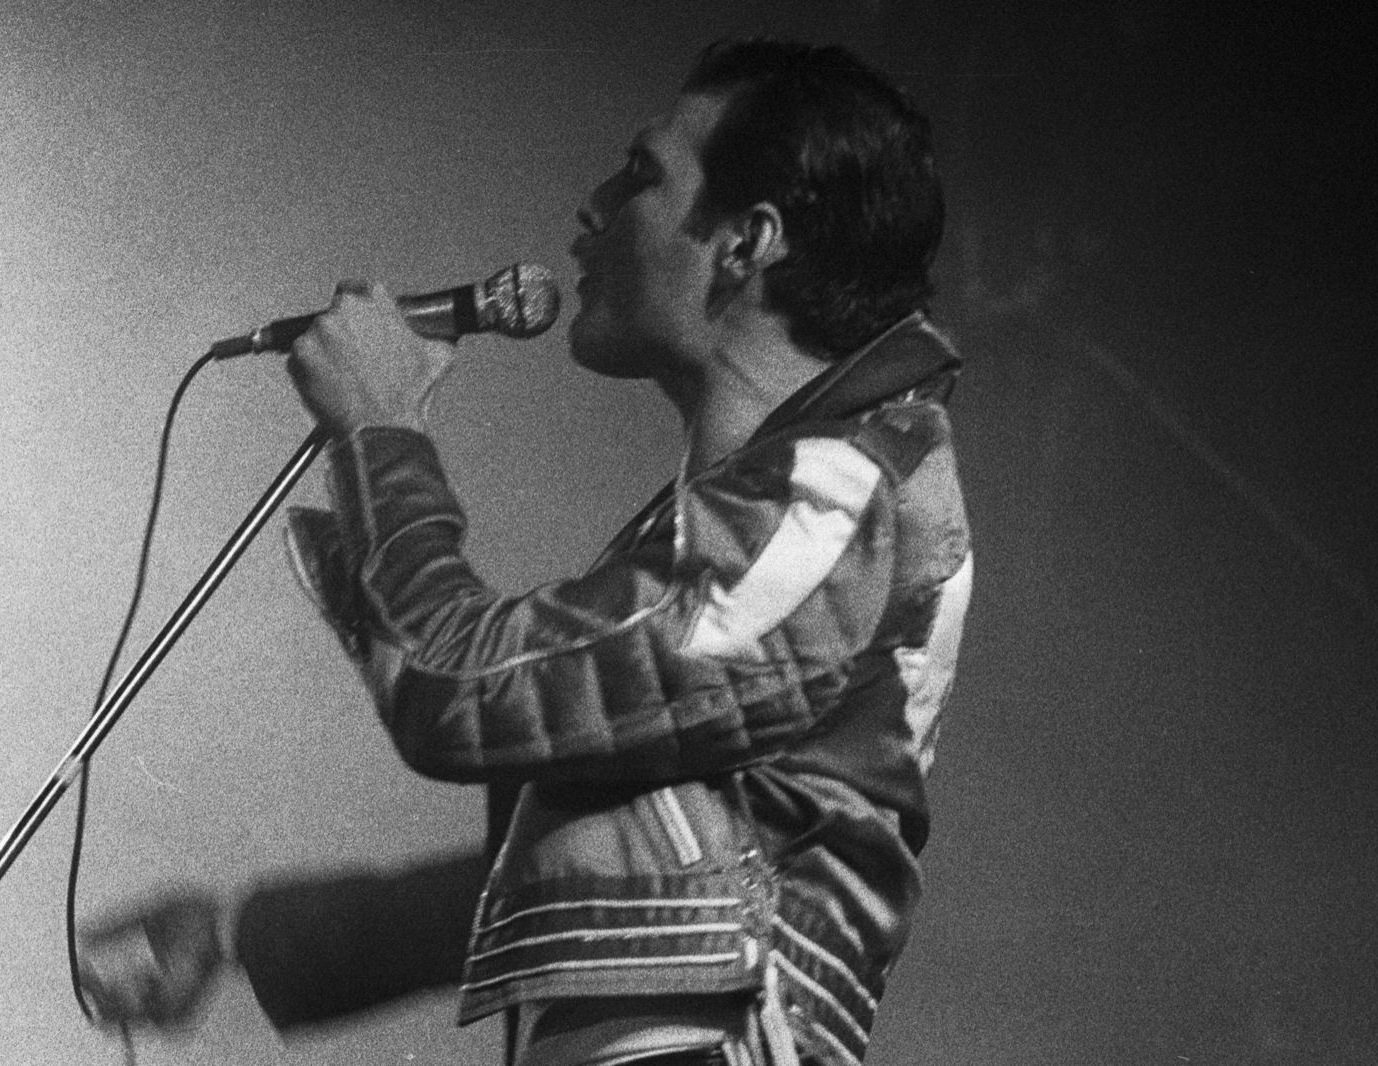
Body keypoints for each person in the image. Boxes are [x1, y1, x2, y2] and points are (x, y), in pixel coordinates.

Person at [80, 38, 972, 1066]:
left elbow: (462, 689)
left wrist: (381, 435)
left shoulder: (845, 500)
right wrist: (244, 939)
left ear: (747, 242)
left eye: (640, 175)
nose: (593, 207)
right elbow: (603, 884)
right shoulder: (743, 525)